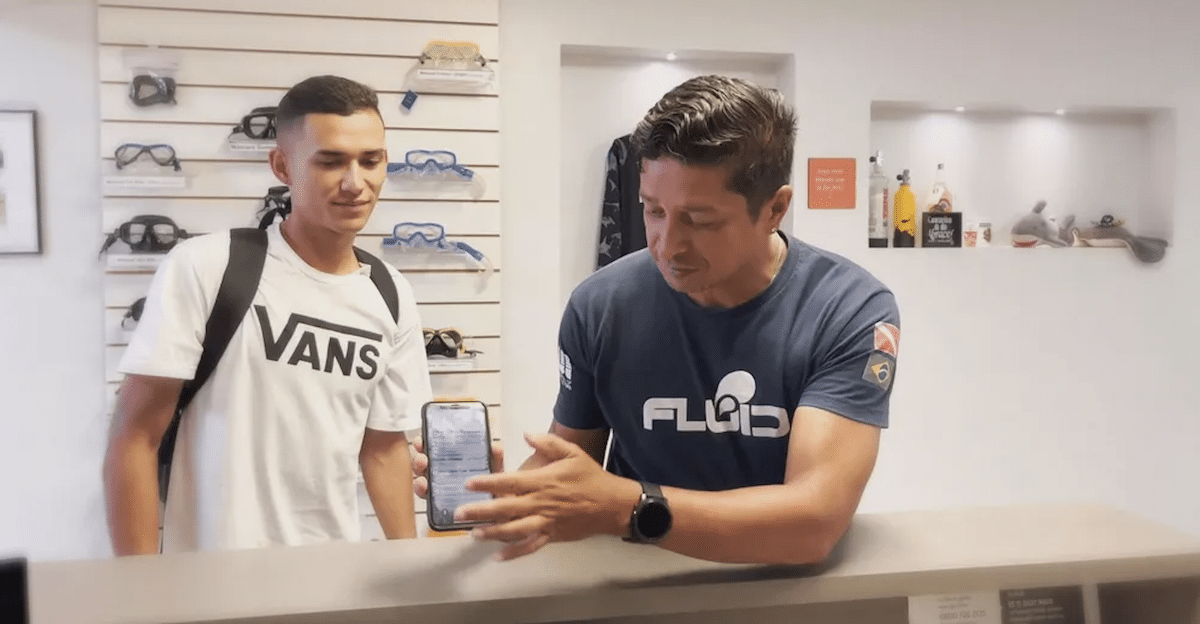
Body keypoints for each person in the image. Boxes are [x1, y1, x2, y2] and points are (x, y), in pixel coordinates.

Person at [413, 75, 901, 565]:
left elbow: (813, 522)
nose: (668, 245)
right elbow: (569, 461)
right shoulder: (599, 305)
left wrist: (629, 509)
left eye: (700, 220)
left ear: (775, 208)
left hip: (778, 591)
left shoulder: (849, 309)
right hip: (629, 587)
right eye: (653, 211)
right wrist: (497, 495)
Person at [103, 75, 433, 555]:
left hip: (330, 573)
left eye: (370, 160)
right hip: (212, 577)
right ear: (282, 165)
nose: (354, 182)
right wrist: (138, 585)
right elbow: (134, 437)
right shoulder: (207, 265)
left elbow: (382, 448)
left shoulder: (390, 293)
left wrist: (408, 564)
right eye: (330, 161)